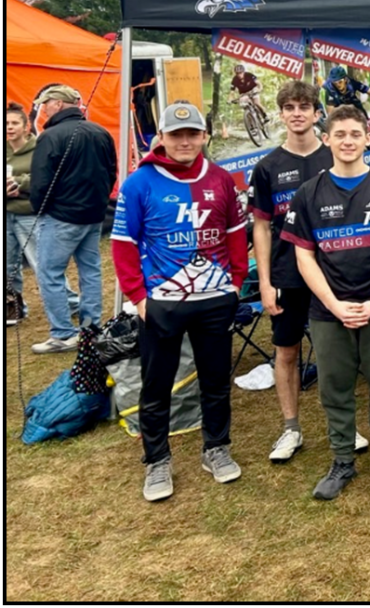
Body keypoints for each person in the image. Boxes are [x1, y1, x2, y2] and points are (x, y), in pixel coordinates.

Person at [111, 102, 248, 502]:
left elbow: (235, 233)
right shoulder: (140, 182)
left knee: (215, 380)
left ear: (204, 136)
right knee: (157, 385)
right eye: (176, 135)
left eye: (192, 134)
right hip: (161, 303)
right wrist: (138, 296)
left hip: (214, 298)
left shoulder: (221, 179)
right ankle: (157, 460)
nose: (185, 142)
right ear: (163, 139)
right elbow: (122, 244)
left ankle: (216, 448)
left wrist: (236, 281)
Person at [282, 105, 370, 501]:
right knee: (334, 387)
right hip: (328, 312)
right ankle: (342, 459)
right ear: (326, 139)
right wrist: (334, 303)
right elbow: (304, 256)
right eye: (339, 134)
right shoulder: (309, 193)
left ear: (367, 139)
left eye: (355, 134)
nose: (347, 142)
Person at [248, 81, 334, 463]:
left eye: (304, 106)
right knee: (286, 353)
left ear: (317, 113)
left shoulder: (336, 157)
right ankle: (291, 429)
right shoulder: (267, 167)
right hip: (286, 275)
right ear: (281, 114)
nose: (297, 113)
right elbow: (261, 228)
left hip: (333, 274)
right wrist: (265, 283)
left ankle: (342, 425)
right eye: (289, 107)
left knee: (337, 353)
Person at [29, 85, 117, 354]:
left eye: (47, 104)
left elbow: (41, 180)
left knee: (49, 272)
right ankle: (91, 329)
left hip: (61, 216)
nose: (43, 109)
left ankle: (63, 334)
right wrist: (100, 203)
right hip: (93, 216)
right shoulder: (100, 132)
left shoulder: (50, 136)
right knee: (89, 270)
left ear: (58, 104)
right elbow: (111, 172)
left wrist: (39, 208)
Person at [7, 102, 40, 325]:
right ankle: (13, 307)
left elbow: (42, 176)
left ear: (25, 127)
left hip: (28, 214)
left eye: (14, 123)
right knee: (8, 265)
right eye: (6, 123)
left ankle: (70, 302)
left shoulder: (38, 148)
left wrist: (18, 183)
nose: (9, 127)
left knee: (41, 263)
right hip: (7, 213)